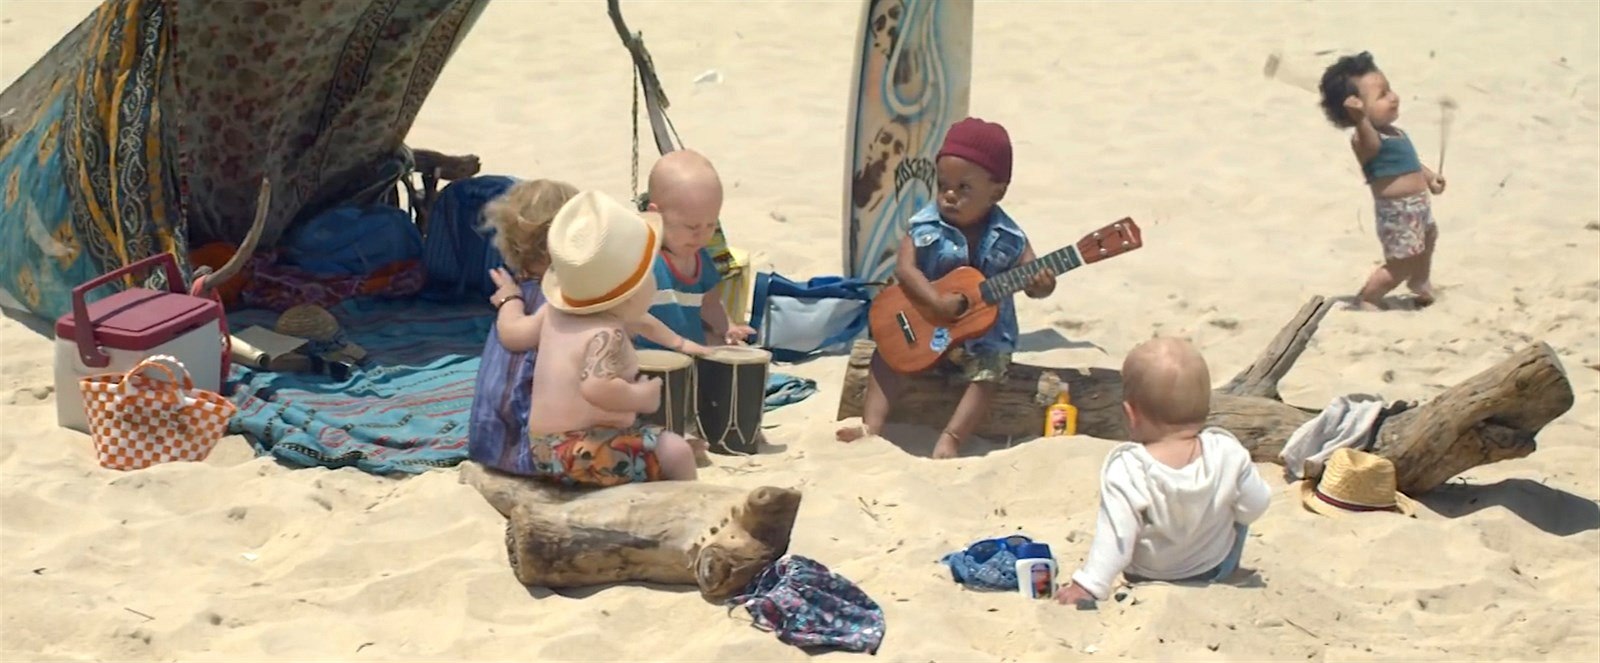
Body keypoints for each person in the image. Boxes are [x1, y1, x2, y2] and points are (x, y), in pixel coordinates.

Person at [834, 117, 1056, 459]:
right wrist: (935, 302)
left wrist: (1042, 284)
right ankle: (871, 426)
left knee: (990, 374)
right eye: (942, 185)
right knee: (886, 354)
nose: (949, 195)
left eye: (963, 188)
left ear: (997, 192)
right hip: (922, 327)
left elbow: (1032, 281)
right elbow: (905, 269)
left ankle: (951, 438)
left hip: (984, 339)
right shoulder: (926, 224)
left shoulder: (1011, 237)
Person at [488, 190, 698, 486]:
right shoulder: (607, 334)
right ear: (628, 294)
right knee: (676, 451)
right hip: (577, 451)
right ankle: (689, 502)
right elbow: (597, 388)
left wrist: (510, 298)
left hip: (541, 449)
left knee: (646, 440)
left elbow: (513, 334)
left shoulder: (554, 313)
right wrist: (643, 396)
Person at [1054, 337, 1271, 606]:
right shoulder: (1226, 451)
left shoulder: (1129, 467)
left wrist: (1089, 585)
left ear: (1131, 414)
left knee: (1128, 520)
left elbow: (1116, 537)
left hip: (1146, 576)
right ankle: (1229, 570)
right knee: (1238, 495)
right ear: (1207, 408)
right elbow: (1256, 506)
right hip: (1215, 567)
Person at [1318, 51, 1447, 310]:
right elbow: (1372, 145)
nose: (1393, 97)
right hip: (1398, 211)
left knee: (1429, 237)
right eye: (1382, 95)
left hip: (1418, 205)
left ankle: (1420, 280)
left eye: (1390, 90)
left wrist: (1430, 177)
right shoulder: (1364, 139)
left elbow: (1410, 164)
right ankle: (1369, 297)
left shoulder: (1396, 132)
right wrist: (1360, 120)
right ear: (1356, 109)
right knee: (1401, 262)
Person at [471, 179, 577, 473]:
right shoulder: (556, 300)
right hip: (526, 445)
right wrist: (510, 301)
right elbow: (515, 336)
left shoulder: (524, 290)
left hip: (488, 441)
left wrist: (511, 297)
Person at [630, 149, 754, 354]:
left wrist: (728, 328)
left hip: (690, 350)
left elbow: (710, 303)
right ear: (655, 215)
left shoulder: (700, 258)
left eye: (711, 225)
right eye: (691, 227)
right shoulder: (645, 259)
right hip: (647, 354)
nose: (701, 235)